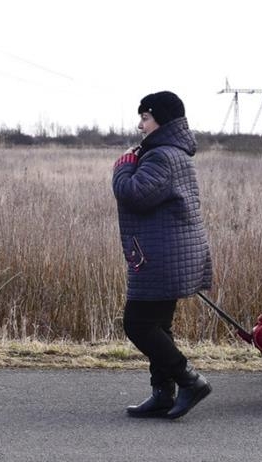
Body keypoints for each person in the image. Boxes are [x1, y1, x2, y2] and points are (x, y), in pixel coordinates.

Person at [112, 91, 214, 419]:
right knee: (158, 325)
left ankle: (189, 380)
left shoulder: (162, 157)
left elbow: (134, 194)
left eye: (145, 117)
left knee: (138, 324)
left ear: (162, 120)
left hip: (161, 256)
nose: (140, 125)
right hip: (168, 252)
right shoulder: (175, 153)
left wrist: (122, 166)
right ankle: (162, 394)